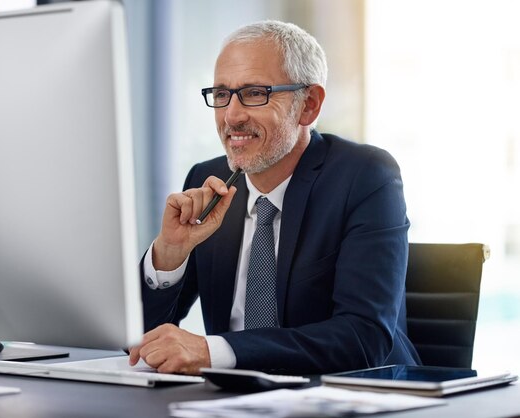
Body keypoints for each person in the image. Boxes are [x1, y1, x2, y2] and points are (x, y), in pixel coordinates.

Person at [129, 20, 421, 375]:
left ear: (308, 105)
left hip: (357, 401)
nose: (231, 116)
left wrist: (213, 351)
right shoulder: (209, 182)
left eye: (254, 93)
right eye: (222, 95)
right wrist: (168, 256)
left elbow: (363, 339)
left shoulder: (364, 177)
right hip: (229, 404)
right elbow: (135, 339)